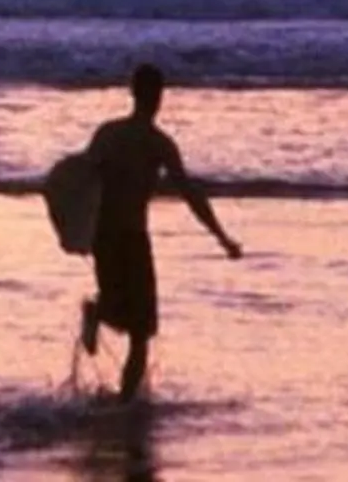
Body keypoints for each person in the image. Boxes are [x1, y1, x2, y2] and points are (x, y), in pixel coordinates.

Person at [71, 62, 240, 398]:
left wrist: (77, 233)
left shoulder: (108, 134)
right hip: (133, 239)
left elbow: (79, 181)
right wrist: (221, 237)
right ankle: (124, 402)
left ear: (132, 93)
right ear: (159, 97)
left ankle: (98, 312)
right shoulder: (159, 144)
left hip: (104, 237)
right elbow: (190, 194)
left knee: (124, 313)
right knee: (141, 331)